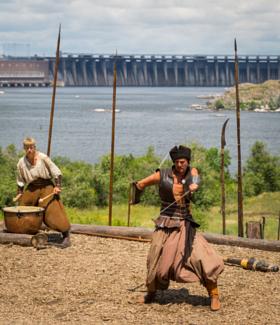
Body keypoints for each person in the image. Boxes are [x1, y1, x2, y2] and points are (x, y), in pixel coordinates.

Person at [132, 145, 224, 311]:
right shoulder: (162, 175)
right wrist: (135, 195)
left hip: (184, 223)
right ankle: (151, 294)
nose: (181, 165)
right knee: (154, 257)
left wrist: (194, 186)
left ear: (187, 161)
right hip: (165, 223)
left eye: (183, 162)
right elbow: (140, 184)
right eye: (177, 162)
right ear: (173, 162)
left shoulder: (192, 172)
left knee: (201, 256)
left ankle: (214, 294)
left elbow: (195, 179)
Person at [16, 137, 71, 248]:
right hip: (32, 187)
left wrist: (57, 186)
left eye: (31, 147)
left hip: (46, 185)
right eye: (27, 148)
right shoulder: (21, 162)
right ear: (24, 148)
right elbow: (20, 179)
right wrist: (20, 192)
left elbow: (56, 171)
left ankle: (65, 235)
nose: (29, 150)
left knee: (52, 208)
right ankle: (30, 232)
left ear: (34, 147)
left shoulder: (43, 158)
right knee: (22, 209)